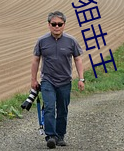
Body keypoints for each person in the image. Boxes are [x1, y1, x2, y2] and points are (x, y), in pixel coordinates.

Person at [31, 11, 85, 149]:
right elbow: (36, 60)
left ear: (64, 25)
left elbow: (78, 59)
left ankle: (60, 136)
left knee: (62, 109)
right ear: (49, 25)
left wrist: (81, 78)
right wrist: (33, 80)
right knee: (49, 107)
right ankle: (50, 136)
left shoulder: (71, 41)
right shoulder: (42, 41)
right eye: (53, 24)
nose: (57, 27)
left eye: (59, 24)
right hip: (47, 80)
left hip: (65, 81)